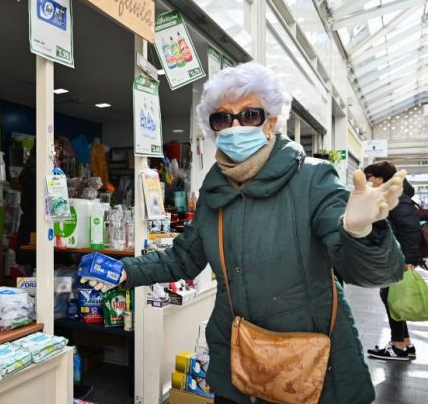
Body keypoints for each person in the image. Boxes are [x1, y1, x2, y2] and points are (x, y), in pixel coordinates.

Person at [85, 63, 405, 404]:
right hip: (236, 363)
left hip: (313, 368)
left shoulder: (313, 180)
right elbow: (184, 258)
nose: (234, 126)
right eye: (222, 118)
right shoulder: (213, 190)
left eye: (249, 114)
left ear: (271, 121)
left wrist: (360, 231)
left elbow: (375, 273)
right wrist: (125, 270)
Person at [364, 161, 422, 361]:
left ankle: (397, 346)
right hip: (394, 255)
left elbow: (410, 229)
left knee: (390, 298)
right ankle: (405, 343)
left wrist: (409, 259)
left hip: (398, 258)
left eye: (370, 177)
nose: (368, 181)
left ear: (380, 178)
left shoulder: (397, 198)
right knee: (394, 298)